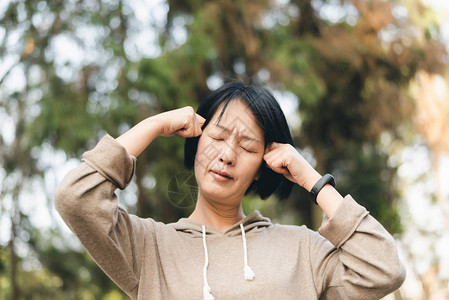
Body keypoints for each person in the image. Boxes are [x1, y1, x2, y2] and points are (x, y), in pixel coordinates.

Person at [54, 82, 406, 300]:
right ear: (195, 140)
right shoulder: (148, 249)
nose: (226, 154)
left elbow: (384, 269)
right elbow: (75, 198)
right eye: (218, 137)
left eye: (248, 147)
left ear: (262, 168)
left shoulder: (303, 251)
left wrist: (312, 180)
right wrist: (154, 125)